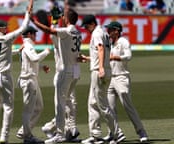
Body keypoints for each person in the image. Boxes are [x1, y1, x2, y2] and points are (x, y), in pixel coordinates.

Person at [0, 0, 33, 144]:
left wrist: (17, 50)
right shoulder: (6, 39)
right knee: (8, 107)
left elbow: (3, 53)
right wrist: (27, 13)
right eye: (5, 28)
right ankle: (4, 136)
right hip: (4, 76)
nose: (7, 30)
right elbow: (23, 27)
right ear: (2, 28)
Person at [32, 8, 82, 144]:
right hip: (72, 71)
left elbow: (51, 32)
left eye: (64, 17)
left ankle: (61, 131)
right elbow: (53, 34)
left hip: (65, 72)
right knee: (68, 103)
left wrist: (35, 21)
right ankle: (67, 129)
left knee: (63, 103)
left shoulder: (64, 33)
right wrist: (54, 21)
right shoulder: (75, 33)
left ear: (67, 19)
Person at [104, 21, 149, 143]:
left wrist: (116, 58)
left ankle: (141, 132)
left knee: (128, 106)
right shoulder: (108, 43)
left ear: (116, 31)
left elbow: (129, 56)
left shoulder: (124, 42)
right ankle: (114, 133)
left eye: (110, 30)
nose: (107, 32)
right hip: (110, 79)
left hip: (121, 78)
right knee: (109, 108)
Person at [79, 14, 118, 144]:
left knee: (102, 105)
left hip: (99, 71)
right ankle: (95, 135)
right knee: (92, 103)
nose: (85, 29)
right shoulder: (103, 33)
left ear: (91, 24)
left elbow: (101, 49)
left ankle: (116, 133)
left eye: (86, 26)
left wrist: (100, 68)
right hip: (104, 69)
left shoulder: (96, 33)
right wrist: (88, 59)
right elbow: (101, 52)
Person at [15, 25, 51, 144]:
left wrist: (41, 67)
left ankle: (23, 131)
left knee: (39, 107)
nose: (36, 35)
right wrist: (46, 52)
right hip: (28, 80)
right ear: (29, 34)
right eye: (34, 33)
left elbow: (28, 63)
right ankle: (27, 136)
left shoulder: (26, 46)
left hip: (31, 79)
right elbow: (35, 58)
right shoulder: (28, 45)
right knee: (28, 110)